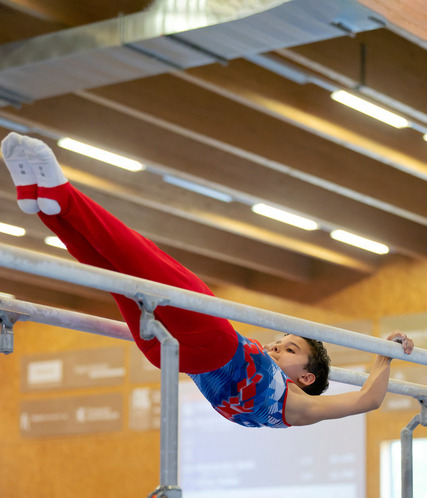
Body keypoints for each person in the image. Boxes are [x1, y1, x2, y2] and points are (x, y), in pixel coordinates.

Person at [0, 133, 414, 429]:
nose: (275, 346)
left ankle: (62, 195)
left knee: (141, 256)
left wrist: (385, 353)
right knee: (114, 272)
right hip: (170, 352)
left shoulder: (300, 406)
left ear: (306, 377)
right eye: (280, 341)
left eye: (290, 349)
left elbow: (368, 399)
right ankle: (47, 206)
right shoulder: (268, 372)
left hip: (208, 345)